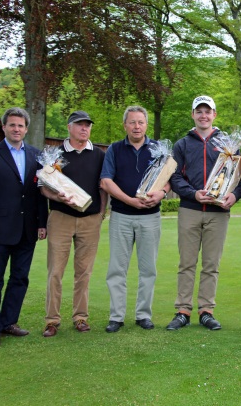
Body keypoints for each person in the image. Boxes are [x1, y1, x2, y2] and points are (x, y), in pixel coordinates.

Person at [167, 96, 241, 331]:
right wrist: (193, 194)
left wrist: (234, 196)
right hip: (190, 209)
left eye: (208, 111)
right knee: (186, 263)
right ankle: (183, 310)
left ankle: (206, 310)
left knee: (211, 264)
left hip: (218, 213)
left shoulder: (228, 143)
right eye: (199, 111)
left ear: (215, 114)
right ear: (193, 114)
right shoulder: (182, 144)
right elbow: (174, 176)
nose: (203, 115)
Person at [0, 107, 48, 347]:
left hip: (27, 229)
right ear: (4, 127)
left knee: (20, 278)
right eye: (12, 125)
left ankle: (9, 322)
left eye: (21, 126)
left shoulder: (36, 155)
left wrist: (42, 223)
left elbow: (40, 194)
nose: (17, 129)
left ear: (26, 129)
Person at [100, 106, 169, 333]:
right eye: (132, 122)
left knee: (148, 269)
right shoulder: (115, 149)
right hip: (121, 216)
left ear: (146, 125)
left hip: (150, 217)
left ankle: (143, 315)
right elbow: (106, 181)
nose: (137, 126)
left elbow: (169, 178)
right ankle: (116, 316)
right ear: (125, 125)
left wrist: (161, 193)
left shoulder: (159, 149)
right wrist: (129, 200)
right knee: (117, 269)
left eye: (141, 122)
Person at [40, 111, 108, 337]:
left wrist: (101, 213)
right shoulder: (55, 154)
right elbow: (43, 187)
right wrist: (57, 197)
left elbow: (103, 186)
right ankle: (52, 320)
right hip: (61, 218)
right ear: (69, 127)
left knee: (84, 272)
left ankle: (80, 317)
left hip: (90, 220)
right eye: (79, 125)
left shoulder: (98, 155)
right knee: (55, 271)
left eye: (87, 125)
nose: (84, 129)